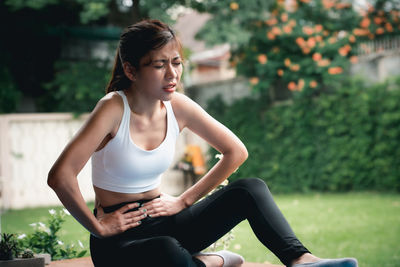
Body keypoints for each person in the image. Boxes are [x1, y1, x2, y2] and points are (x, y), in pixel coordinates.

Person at [47, 19, 358, 267]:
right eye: (158, 65)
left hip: (165, 218)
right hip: (119, 241)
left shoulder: (178, 106)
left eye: (177, 62)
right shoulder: (113, 108)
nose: (172, 74)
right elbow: (60, 176)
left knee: (249, 189)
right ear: (131, 70)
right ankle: (209, 262)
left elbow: (236, 152)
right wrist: (98, 227)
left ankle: (300, 259)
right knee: (167, 250)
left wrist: (183, 201)